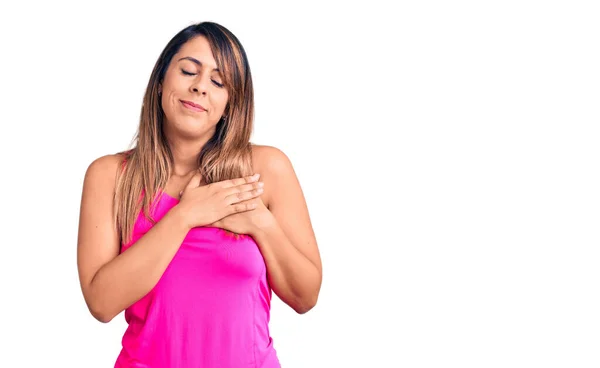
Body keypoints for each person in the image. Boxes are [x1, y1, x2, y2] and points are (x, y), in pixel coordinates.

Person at [76, 21, 322, 367]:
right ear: (161, 80)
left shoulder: (266, 170)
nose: (200, 87)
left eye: (218, 82)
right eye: (189, 71)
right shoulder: (109, 176)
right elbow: (101, 303)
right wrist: (185, 215)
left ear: (229, 105)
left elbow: (305, 296)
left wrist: (262, 225)